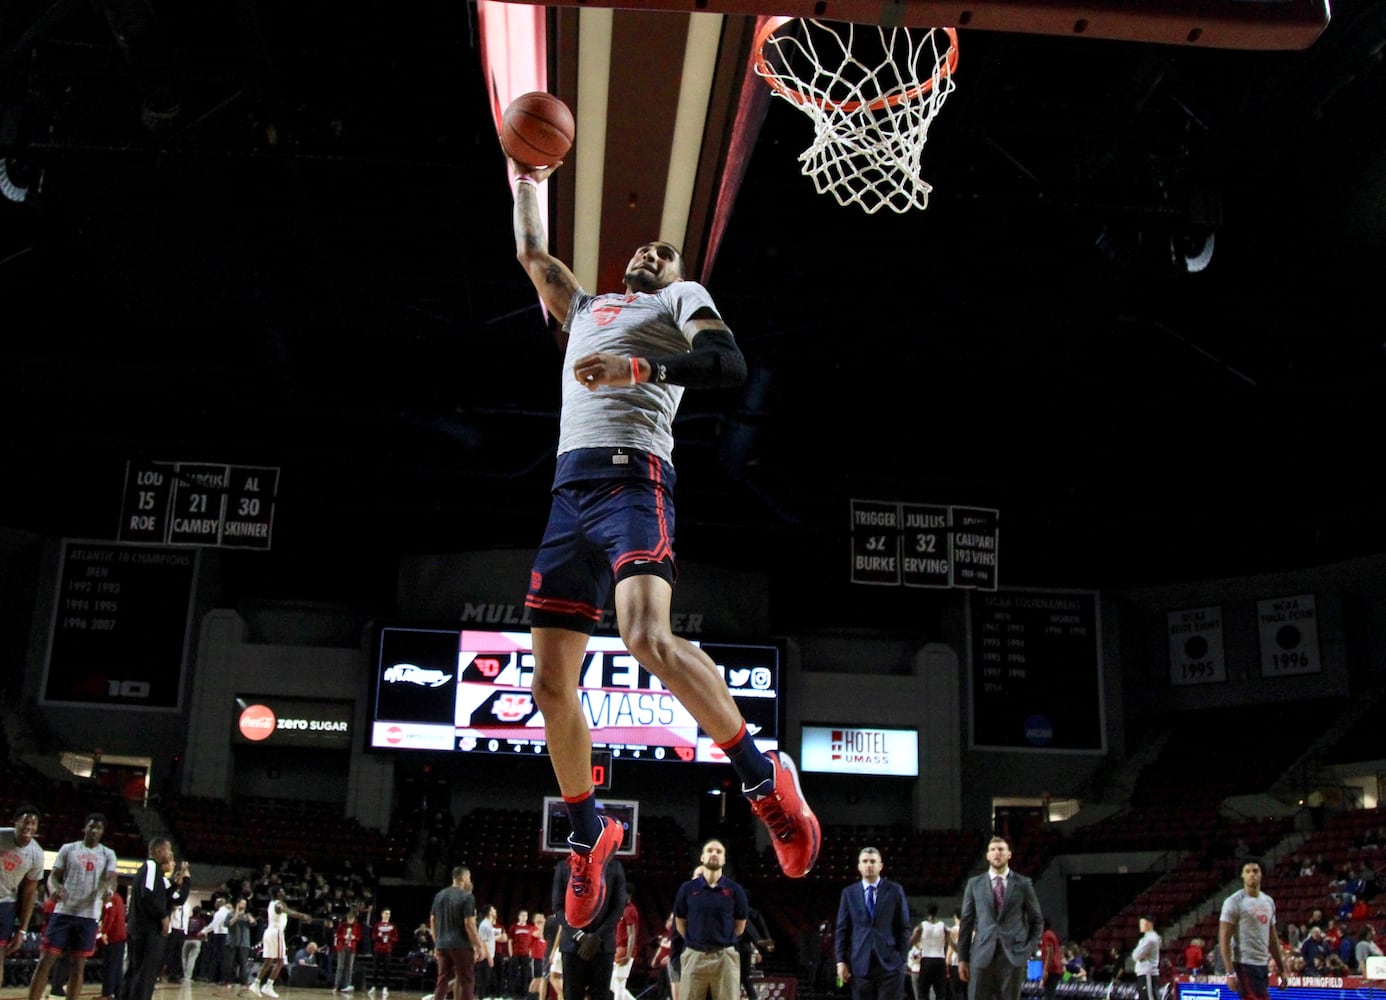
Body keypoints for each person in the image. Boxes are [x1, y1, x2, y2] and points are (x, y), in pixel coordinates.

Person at [507, 155, 821, 929]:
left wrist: (635, 366)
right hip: (566, 496)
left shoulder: (682, 297)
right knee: (551, 688)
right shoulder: (584, 305)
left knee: (645, 636)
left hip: (633, 484)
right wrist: (526, 175)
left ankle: (762, 779)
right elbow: (532, 254)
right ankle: (590, 836)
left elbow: (727, 362)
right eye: (644, 250)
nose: (653, 253)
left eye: (666, 250)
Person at [30, 813, 120, 1000]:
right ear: (84, 828)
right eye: (91, 826)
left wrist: (109, 891)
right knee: (46, 960)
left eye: (99, 828)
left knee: (78, 965)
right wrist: (54, 888)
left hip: (88, 915)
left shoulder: (108, 854)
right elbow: (54, 875)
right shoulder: (69, 849)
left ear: (103, 832)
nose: (94, 830)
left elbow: (111, 878)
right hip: (64, 911)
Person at [956, 836, 1043, 1000]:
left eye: (1001, 849)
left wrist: (1028, 950)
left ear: (1009, 854)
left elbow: (1037, 921)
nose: (997, 853)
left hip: (1013, 956)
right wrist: (962, 959)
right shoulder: (974, 884)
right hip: (981, 955)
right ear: (987, 856)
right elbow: (966, 924)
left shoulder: (1023, 884)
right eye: (993, 850)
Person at [836, 847, 911, 1000]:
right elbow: (842, 929)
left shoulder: (895, 891)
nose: (869, 865)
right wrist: (840, 961)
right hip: (860, 964)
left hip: (890, 963)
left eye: (872, 861)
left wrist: (901, 958)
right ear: (859, 866)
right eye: (865, 861)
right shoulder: (849, 893)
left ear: (880, 866)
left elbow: (903, 927)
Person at [122, 838, 191, 1000]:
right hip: (147, 931)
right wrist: (163, 916)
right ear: (159, 851)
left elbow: (175, 898)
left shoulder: (158, 876)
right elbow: (148, 895)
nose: (170, 854)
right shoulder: (151, 866)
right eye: (168, 850)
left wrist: (183, 881)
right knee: (144, 974)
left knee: (135, 971)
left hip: (140, 930)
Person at [674, 841, 744, 1000]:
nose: (714, 854)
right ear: (702, 857)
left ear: (724, 860)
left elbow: (740, 926)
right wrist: (695, 941)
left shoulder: (735, 890)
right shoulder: (687, 889)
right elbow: (680, 922)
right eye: (710, 850)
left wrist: (721, 942)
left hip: (725, 957)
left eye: (719, 851)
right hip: (694, 955)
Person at [553, 850, 627, 1000]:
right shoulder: (564, 866)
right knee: (572, 995)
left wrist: (596, 937)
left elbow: (618, 907)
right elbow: (558, 907)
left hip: (602, 945)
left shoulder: (614, 866)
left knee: (601, 995)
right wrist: (580, 936)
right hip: (573, 945)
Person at [1218, 858, 1285, 1000]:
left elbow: (1272, 938)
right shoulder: (1233, 902)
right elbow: (1224, 938)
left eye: (1255, 871)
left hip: (1262, 964)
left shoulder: (1268, 902)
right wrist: (1230, 972)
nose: (1252, 874)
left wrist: (1282, 968)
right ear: (1242, 875)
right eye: (1247, 871)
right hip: (1243, 964)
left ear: (1261, 874)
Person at [430, 867, 484, 1000]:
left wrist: (436, 942)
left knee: (442, 981)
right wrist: (478, 945)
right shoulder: (467, 896)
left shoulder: (439, 895)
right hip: (461, 945)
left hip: (442, 944)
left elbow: (432, 920)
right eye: (469, 877)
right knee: (467, 981)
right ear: (464, 878)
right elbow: (469, 924)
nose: (469, 880)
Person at [249, 887, 310, 998]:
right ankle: (268, 985)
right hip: (276, 932)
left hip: (269, 932)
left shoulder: (272, 903)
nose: (284, 892)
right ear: (277, 894)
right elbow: (288, 911)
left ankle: (256, 983)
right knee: (281, 961)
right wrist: (303, 915)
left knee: (268, 961)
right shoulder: (278, 904)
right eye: (281, 891)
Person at [1, 805, 44, 958]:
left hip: (5, 904)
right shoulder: (1, 836)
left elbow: (30, 893)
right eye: (25, 822)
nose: (29, 826)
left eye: (33, 824)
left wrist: (22, 931)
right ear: (16, 823)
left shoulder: (36, 854)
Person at [97, 884, 128, 1000]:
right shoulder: (118, 898)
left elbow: (110, 916)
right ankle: (117, 993)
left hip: (114, 937)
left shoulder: (112, 899)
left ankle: (107, 993)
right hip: (120, 937)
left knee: (110, 966)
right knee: (117, 966)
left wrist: (104, 932)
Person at [913, 906, 949, 1000]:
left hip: (926, 959)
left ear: (927, 912)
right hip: (940, 959)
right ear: (937, 912)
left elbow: (912, 941)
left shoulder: (922, 925)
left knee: (923, 991)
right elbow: (951, 943)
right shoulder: (943, 926)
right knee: (940, 992)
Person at [611, 897, 640, 1000]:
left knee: (619, 983)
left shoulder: (629, 910)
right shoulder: (623, 909)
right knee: (614, 983)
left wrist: (628, 954)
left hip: (624, 949)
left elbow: (632, 934)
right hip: (620, 948)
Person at [369, 907, 400, 998]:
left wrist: (389, 938)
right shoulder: (377, 925)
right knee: (375, 969)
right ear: (382, 914)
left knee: (386, 969)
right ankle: (373, 986)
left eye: (389, 914)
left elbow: (396, 938)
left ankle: (385, 987)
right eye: (386, 913)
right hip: (378, 949)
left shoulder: (392, 925)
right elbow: (373, 937)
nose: (387, 915)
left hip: (387, 950)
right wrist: (378, 936)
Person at [227, 898, 257, 990]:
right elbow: (229, 924)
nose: (244, 905)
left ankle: (243, 982)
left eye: (245, 903)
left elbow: (253, 923)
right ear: (238, 904)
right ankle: (229, 981)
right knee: (231, 964)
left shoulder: (247, 915)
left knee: (243, 964)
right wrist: (236, 914)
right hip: (232, 942)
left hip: (244, 943)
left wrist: (249, 916)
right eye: (242, 903)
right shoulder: (230, 914)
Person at [1132, 916, 1160, 1000]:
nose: (1140, 925)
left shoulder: (1151, 939)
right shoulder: (1145, 939)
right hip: (1143, 973)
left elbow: (1135, 955)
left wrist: (1139, 956)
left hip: (1147, 973)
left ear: (1149, 924)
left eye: (1142, 923)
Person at [335, 908, 362, 994]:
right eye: (349, 919)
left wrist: (354, 938)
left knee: (349, 968)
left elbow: (359, 937)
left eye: (352, 919)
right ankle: (337, 985)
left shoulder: (357, 926)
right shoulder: (342, 925)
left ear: (354, 919)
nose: (350, 921)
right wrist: (344, 937)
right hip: (342, 947)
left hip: (352, 948)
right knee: (340, 967)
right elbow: (337, 935)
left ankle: (347, 985)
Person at [1038, 921, 1062, 1000]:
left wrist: (1045, 970)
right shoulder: (1050, 934)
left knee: (1049, 995)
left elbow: (1050, 952)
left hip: (1052, 969)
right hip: (1053, 969)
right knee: (1049, 994)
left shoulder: (1047, 935)